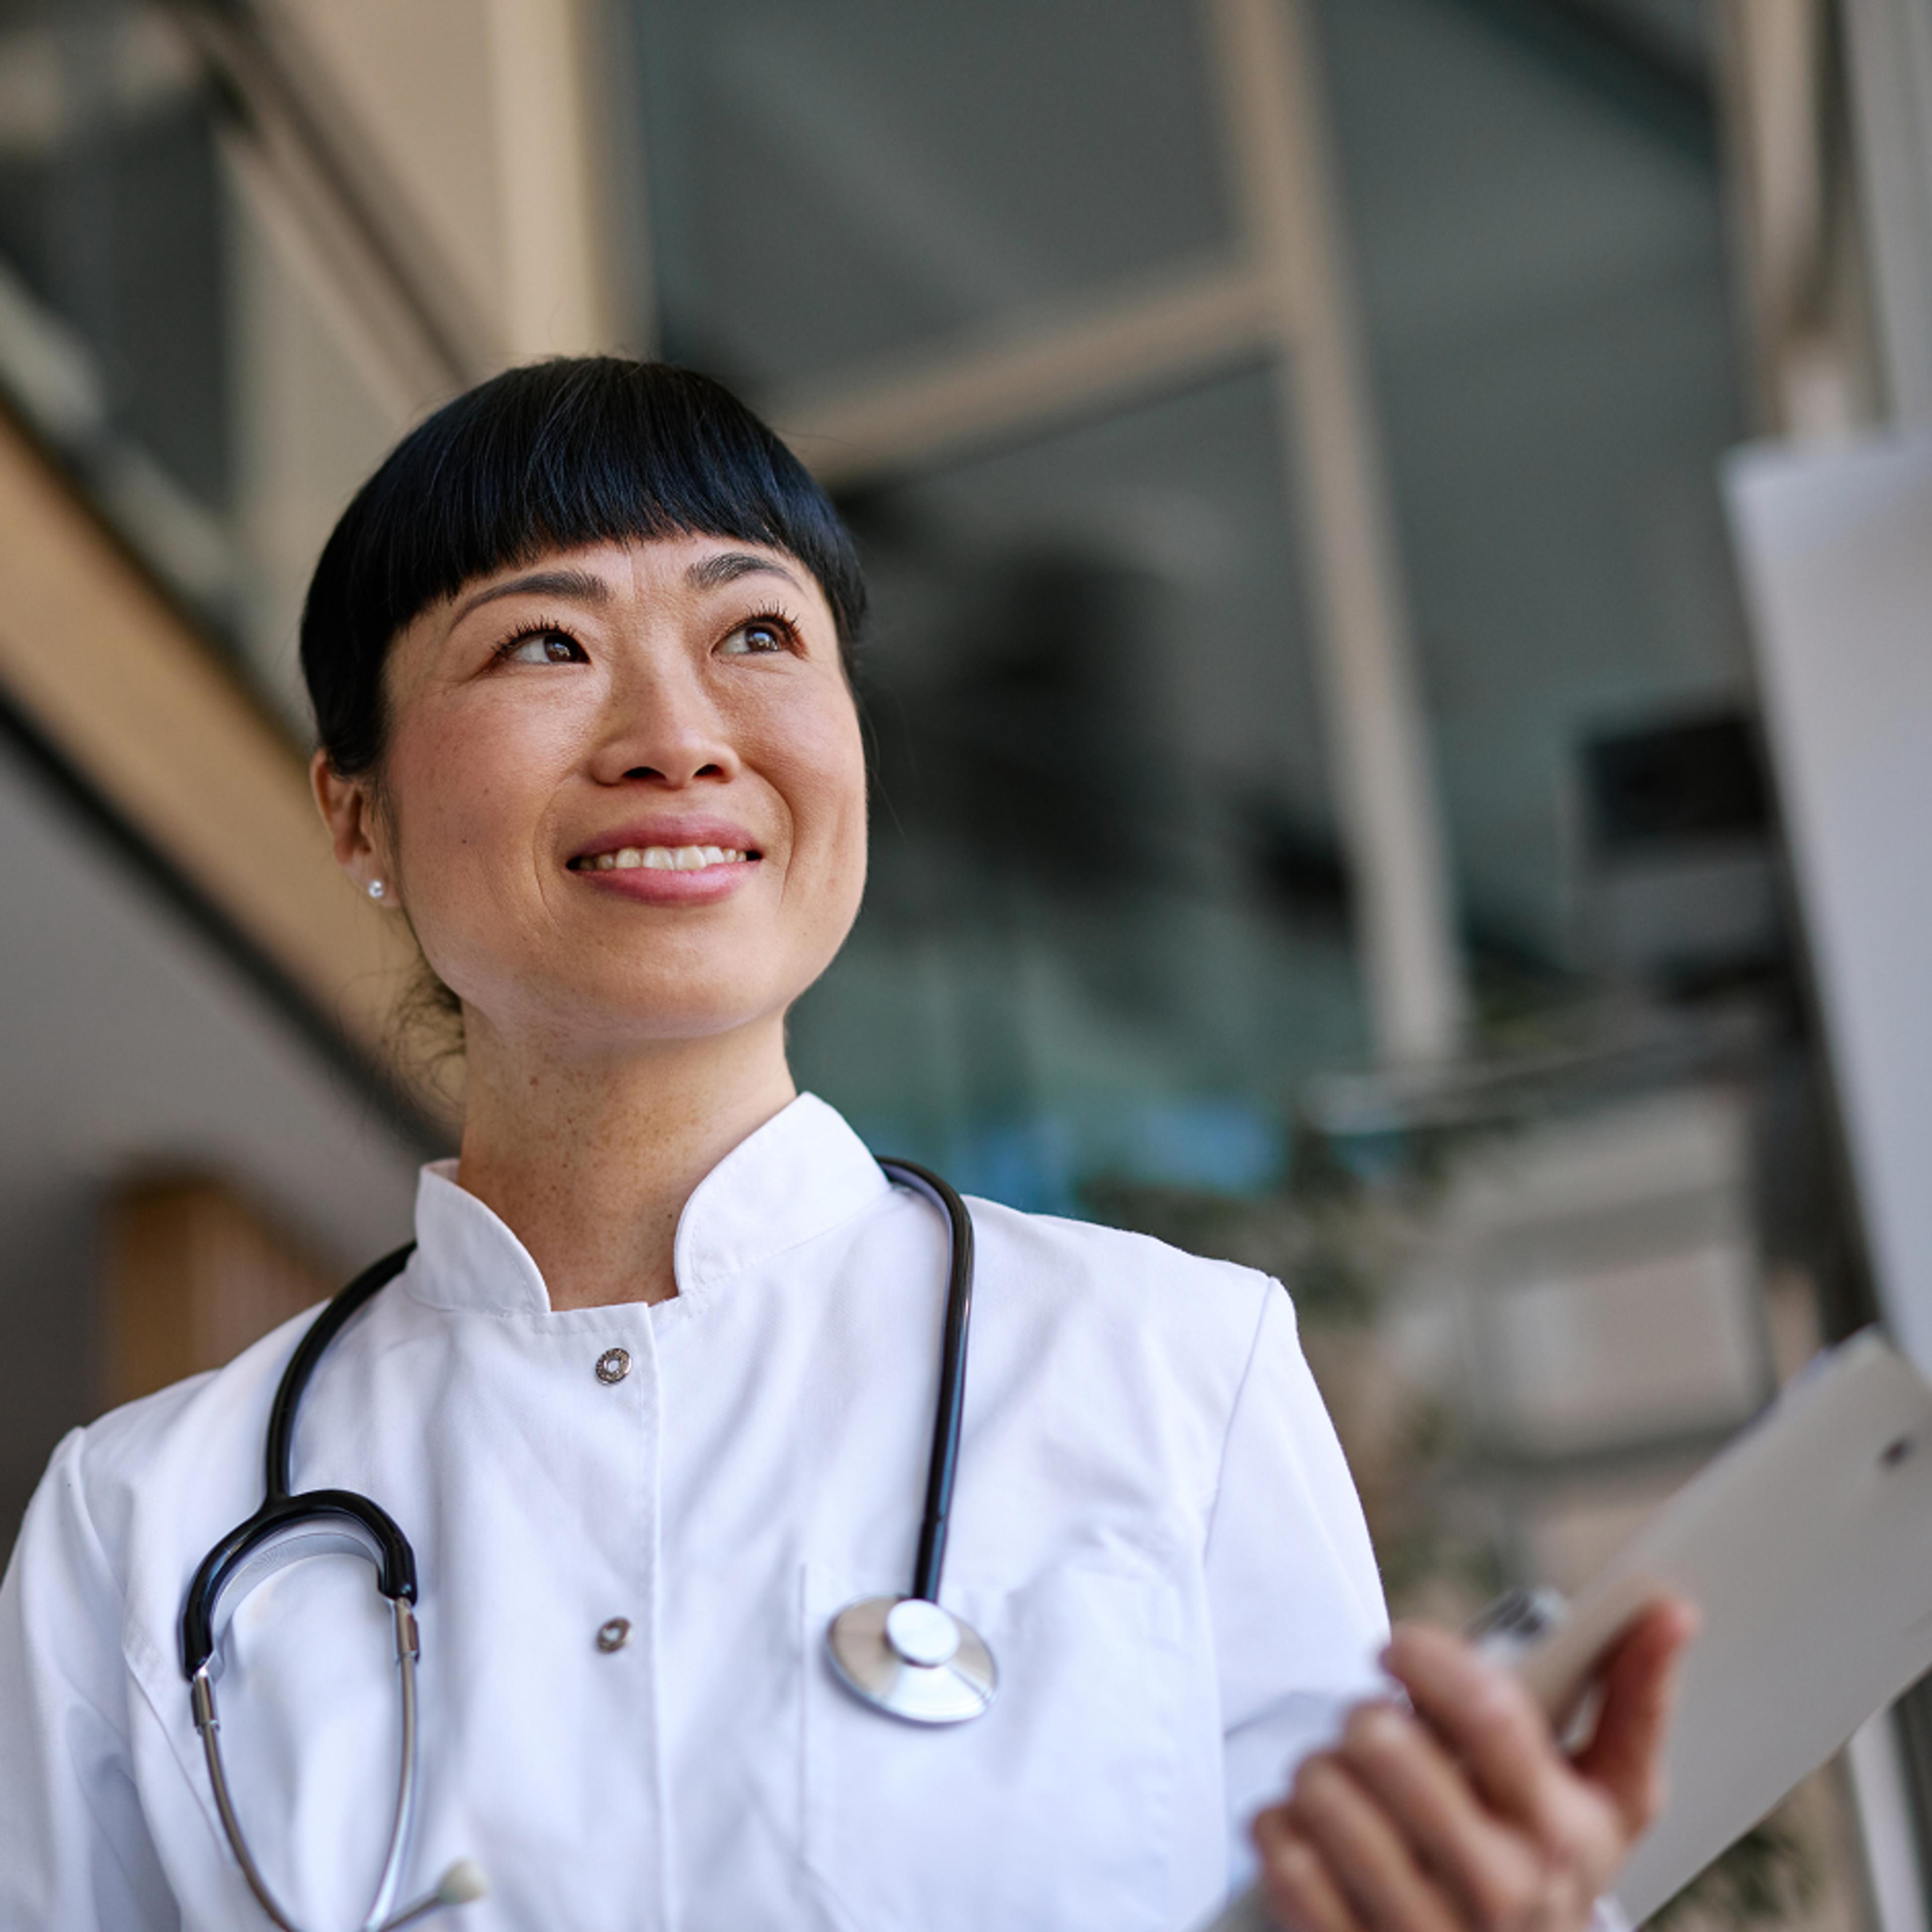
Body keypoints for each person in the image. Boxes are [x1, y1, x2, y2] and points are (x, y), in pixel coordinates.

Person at [0, 358, 1692, 1930]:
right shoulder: (141, 1523)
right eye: (545, 646)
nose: (677, 735)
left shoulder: (1173, 1367)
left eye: (757, 633)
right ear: (353, 808)